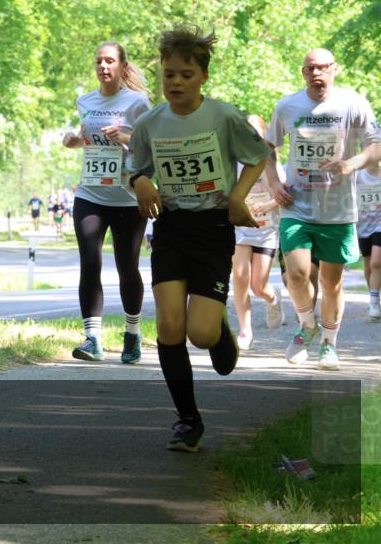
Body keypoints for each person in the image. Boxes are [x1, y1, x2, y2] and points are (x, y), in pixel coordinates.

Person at [128, 26, 270, 452]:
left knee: (200, 334)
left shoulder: (223, 116)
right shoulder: (150, 122)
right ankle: (188, 421)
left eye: (186, 74)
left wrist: (238, 197)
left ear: (203, 76)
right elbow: (135, 167)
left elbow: (259, 155)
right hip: (171, 228)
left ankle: (220, 332)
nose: (175, 82)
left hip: (212, 229)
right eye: (168, 74)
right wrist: (140, 183)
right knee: (170, 325)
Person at [264, 49, 381, 369]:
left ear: (334, 69)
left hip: (338, 210)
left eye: (323, 68)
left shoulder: (353, 103)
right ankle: (307, 326)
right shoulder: (287, 105)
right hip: (296, 206)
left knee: (332, 283)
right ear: (303, 72)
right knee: (298, 274)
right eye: (310, 68)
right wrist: (274, 182)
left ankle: (329, 343)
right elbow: (267, 147)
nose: (317, 73)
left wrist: (351, 163)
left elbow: (376, 146)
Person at [61, 42, 151, 363]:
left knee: (127, 268)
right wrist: (73, 140)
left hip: (127, 198)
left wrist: (127, 137)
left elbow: (150, 147)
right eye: (99, 61)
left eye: (110, 61)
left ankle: (132, 334)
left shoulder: (138, 103)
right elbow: (85, 136)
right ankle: (92, 339)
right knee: (90, 262)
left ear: (123, 67)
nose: (103, 66)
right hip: (91, 194)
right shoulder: (85, 100)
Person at [231, 115, 285, 350]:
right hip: (242, 229)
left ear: (263, 135)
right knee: (240, 277)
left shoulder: (270, 161)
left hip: (266, 230)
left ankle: (273, 298)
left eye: (256, 132)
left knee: (258, 286)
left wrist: (268, 205)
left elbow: (283, 196)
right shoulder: (234, 161)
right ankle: (245, 330)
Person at [356, 161, 381, 321]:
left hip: (379, 224)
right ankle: (374, 295)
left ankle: (373, 302)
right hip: (362, 225)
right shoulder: (358, 175)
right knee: (368, 263)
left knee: (376, 263)